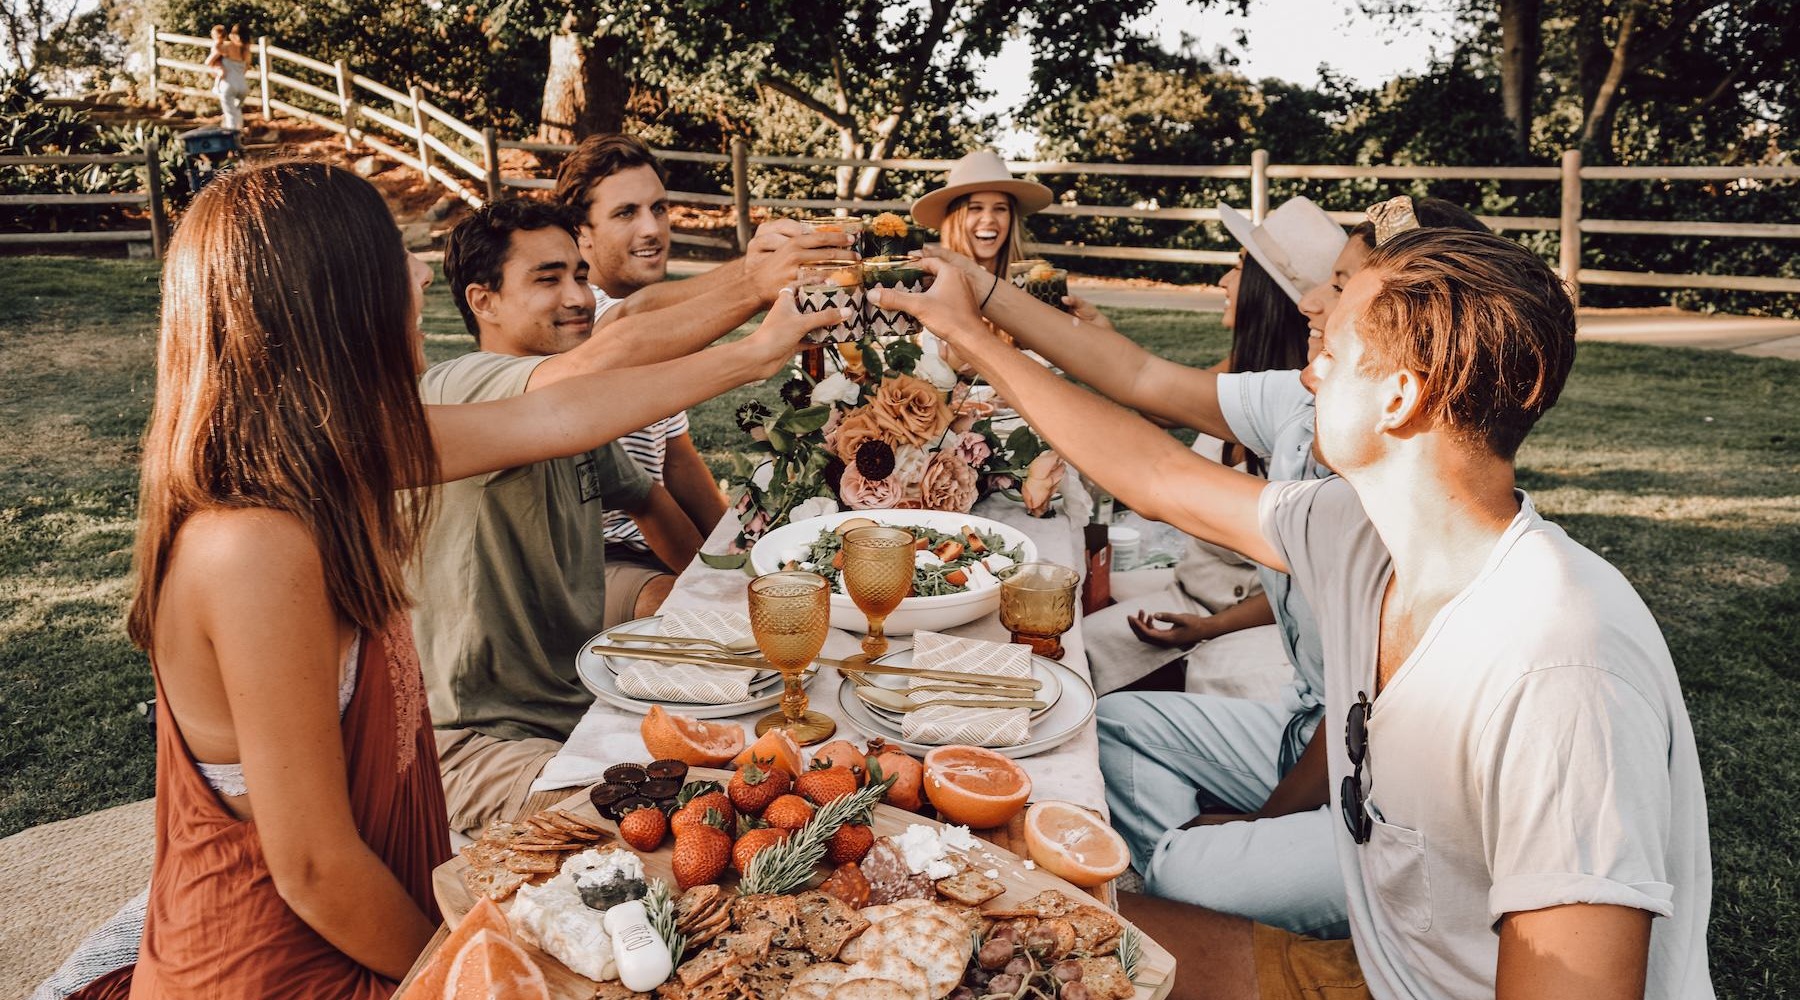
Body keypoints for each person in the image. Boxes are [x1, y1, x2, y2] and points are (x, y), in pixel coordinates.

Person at [876, 228, 1713, 999]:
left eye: (1333, 355)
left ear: (1399, 398)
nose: (1308, 374)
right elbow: (1160, 475)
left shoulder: (1559, 664)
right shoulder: (1359, 529)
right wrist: (974, 334)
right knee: (1010, 928)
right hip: (1369, 967)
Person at [74, 160, 835, 999]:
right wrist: (468, 972)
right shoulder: (251, 548)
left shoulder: (342, 452)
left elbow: (555, 416)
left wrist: (758, 354)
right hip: (285, 970)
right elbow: (314, 871)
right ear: (334, 299)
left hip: (377, 918)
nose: (422, 272)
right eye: (393, 254)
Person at [420, 195, 847, 838]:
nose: (577, 298)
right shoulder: (461, 386)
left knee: (790, 738)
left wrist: (717, 598)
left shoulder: (576, 415)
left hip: (580, 703)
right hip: (477, 745)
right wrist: (757, 316)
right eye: (547, 279)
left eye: (579, 275)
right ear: (484, 301)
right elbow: (606, 352)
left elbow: (648, 501)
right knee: (682, 824)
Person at [551, 134, 854, 623]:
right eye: (626, 213)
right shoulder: (579, 312)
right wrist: (754, 277)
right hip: (591, 557)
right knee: (698, 618)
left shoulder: (664, 327)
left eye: (659, 208)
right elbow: (628, 322)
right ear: (581, 233)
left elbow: (679, 463)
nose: (651, 228)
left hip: (653, 549)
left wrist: (741, 555)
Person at [1078, 197, 1336, 707]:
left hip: (1245, 623)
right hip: (1193, 588)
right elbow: (1156, 401)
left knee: (1081, 661)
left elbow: (1307, 585)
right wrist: (1097, 339)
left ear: (1264, 293)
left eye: (1238, 267)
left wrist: (1209, 628)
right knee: (1071, 626)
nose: (1223, 281)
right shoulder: (1242, 370)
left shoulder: (1310, 420)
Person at [911, 149, 1052, 278]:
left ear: (1012, 218)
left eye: (1000, 208)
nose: (989, 219)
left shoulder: (1038, 279)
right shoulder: (926, 281)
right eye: (975, 208)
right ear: (954, 219)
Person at [204, 24, 248, 132]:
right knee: (237, 111)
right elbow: (245, 69)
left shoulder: (227, 47)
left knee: (230, 115)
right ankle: (240, 134)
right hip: (243, 86)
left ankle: (232, 137)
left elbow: (209, 61)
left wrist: (217, 68)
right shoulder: (246, 50)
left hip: (228, 84)